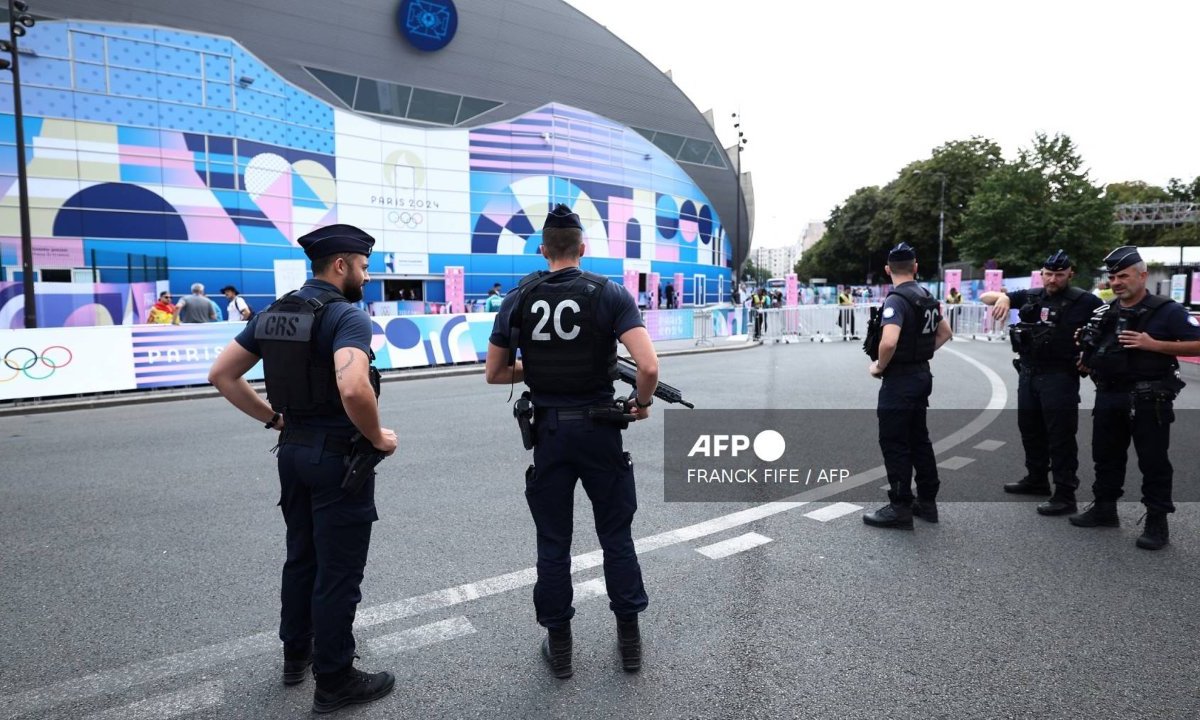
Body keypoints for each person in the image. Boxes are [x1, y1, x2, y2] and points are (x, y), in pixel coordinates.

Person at [207, 224, 397, 712]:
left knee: (302, 555)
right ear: (341, 265)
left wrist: (273, 419)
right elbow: (354, 388)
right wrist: (378, 438)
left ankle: (297, 654)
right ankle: (334, 678)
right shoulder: (346, 317)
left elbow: (221, 374)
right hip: (337, 456)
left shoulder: (274, 312)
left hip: (291, 451)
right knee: (338, 571)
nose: (366, 274)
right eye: (364, 265)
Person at [484, 204, 657, 679]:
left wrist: (536, 369)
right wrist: (640, 404)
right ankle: (629, 643)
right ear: (582, 249)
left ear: (543, 250)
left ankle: (559, 647)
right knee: (616, 537)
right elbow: (648, 368)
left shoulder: (519, 296)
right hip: (601, 429)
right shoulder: (609, 293)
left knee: (553, 542)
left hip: (551, 432)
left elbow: (495, 373)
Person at [1070, 246, 1200, 550]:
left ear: (1142, 275)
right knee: (1105, 456)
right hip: (1109, 394)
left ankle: (1157, 521)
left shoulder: (1167, 310)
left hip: (1148, 398)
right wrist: (1088, 358)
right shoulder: (1108, 311)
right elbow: (1102, 349)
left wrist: (1154, 344)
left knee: (1153, 461)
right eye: (1112, 277)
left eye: (1123, 275)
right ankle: (1105, 508)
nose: (1116, 282)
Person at [979, 251, 1103, 515]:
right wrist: (1003, 296)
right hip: (1029, 373)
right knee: (1030, 429)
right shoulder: (1034, 295)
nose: (1053, 279)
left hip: (1060, 376)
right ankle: (1036, 479)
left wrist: (1090, 356)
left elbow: (1108, 324)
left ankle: (1065, 493)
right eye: (1048, 274)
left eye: (1059, 274)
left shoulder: (1084, 300)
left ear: (1071, 273)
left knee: (1060, 436)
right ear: (1042, 273)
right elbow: (984, 297)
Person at [864, 243, 953, 529]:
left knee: (895, 442)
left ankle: (900, 507)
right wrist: (921, 354)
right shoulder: (926, 296)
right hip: (921, 375)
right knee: (919, 439)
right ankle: (927, 502)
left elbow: (888, 341)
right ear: (916, 266)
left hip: (900, 380)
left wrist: (880, 366)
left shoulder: (896, 299)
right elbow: (945, 332)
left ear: (888, 270)